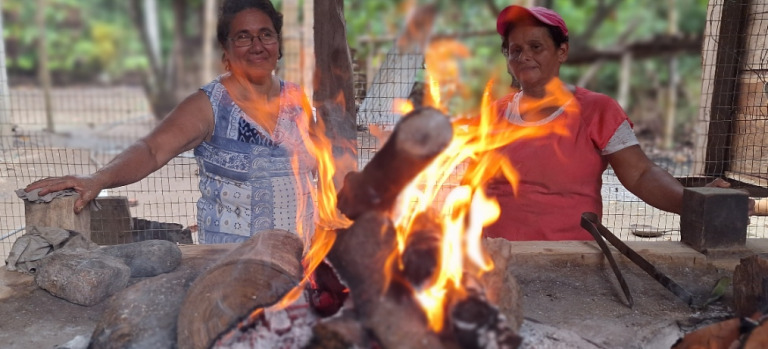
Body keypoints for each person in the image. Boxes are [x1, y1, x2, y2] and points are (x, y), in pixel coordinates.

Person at [24, 0, 317, 244]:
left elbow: (323, 166)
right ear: (225, 49)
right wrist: (97, 180)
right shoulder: (209, 105)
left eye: (266, 34)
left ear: (278, 45)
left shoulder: (298, 101)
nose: (257, 46)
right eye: (243, 37)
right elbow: (151, 150)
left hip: (301, 259)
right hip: (231, 266)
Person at [483, 5, 751, 241]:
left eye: (536, 47)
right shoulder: (493, 114)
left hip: (569, 259)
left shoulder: (597, 110)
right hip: (495, 256)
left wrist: (693, 201)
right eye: (515, 50)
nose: (523, 56)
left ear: (562, 51)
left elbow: (641, 174)